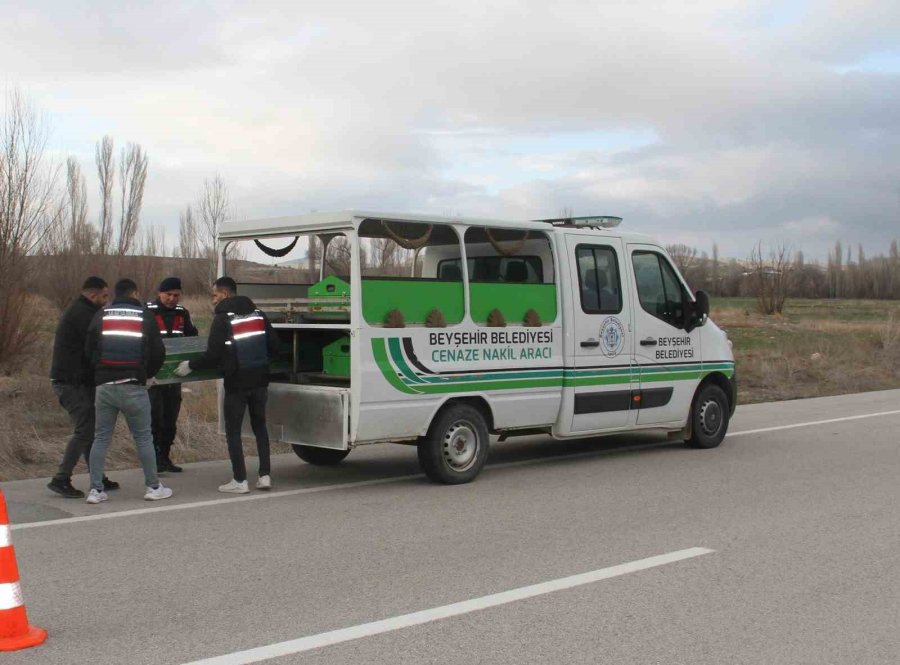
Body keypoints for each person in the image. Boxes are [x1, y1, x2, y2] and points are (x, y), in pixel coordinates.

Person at [174, 276, 278, 494]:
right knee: (260, 427)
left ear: (226, 294)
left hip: (237, 383)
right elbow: (275, 346)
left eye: (214, 295)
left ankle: (240, 480)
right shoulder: (259, 314)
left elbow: (213, 354)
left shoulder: (223, 318)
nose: (213, 300)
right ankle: (264, 476)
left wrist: (190, 365)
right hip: (260, 381)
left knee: (233, 431)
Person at [83, 278, 173, 504]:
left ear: (115, 293)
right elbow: (158, 352)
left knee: (101, 437)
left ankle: (95, 490)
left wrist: (99, 371)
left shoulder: (102, 315)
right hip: (133, 385)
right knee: (143, 437)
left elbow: (89, 349)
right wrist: (147, 375)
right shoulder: (144, 316)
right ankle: (153, 487)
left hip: (104, 386)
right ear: (135, 293)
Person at [48, 277, 118, 498]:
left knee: (91, 430)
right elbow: (96, 347)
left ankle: (97, 477)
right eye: (104, 296)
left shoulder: (83, 311)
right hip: (71, 383)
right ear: (92, 295)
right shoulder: (83, 315)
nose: (106, 301)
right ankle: (61, 478)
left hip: (77, 381)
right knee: (85, 431)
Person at [146, 276, 198, 473]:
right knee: (154, 419)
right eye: (168, 294)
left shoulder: (182, 313)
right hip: (154, 376)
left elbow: (192, 336)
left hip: (175, 375)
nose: (172, 298)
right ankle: (153, 461)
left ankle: (165, 458)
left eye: (176, 295)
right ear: (160, 293)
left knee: (170, 420)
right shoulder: (147, 312)